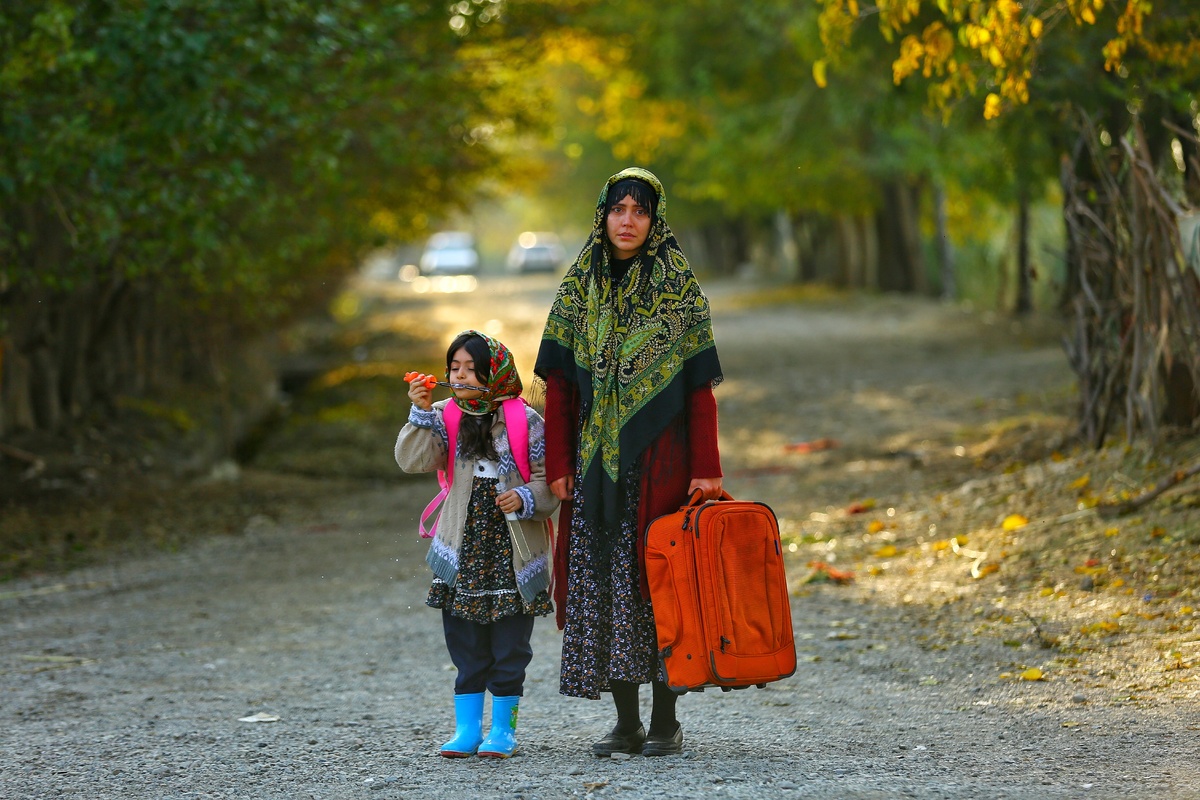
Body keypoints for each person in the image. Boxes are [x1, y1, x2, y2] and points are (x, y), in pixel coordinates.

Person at [535, 167, 723, 757]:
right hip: (595, 465)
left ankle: (666, 719)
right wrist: (559, 463)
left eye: (639, 211)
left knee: (662, 582)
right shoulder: (578, 284)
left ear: (654, 218)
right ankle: (625, 721)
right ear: (604, 214)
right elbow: (561, 386)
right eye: (619, 209)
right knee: (606, 583)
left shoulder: (678, 284)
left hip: (664, 464)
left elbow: (697, 387)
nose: (627, 221)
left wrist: (708, 468)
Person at [395, 330, 557, 759]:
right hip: (461, 547)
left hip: (513, 550)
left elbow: (550, 486)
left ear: (496, 374)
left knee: (510, 644)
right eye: (454, 368)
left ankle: (503, 730)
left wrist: (523, 498)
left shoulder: (527, 422)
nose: (461, 376)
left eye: (472, 369)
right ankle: (467, 730)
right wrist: (419, 412)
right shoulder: (446, 415)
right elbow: (412, 460)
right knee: (465, 642)